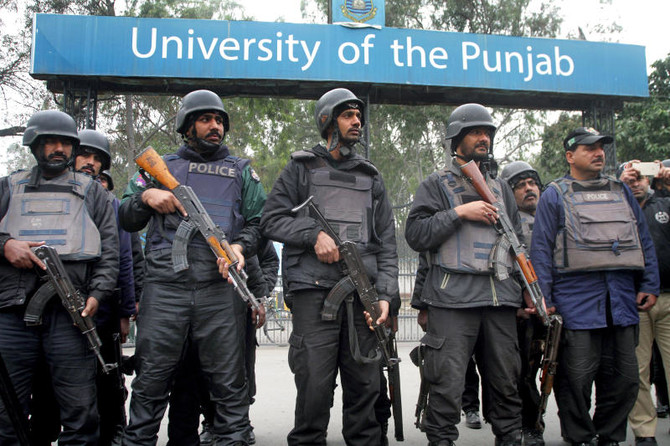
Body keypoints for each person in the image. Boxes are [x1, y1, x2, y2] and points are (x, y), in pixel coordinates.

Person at [119, 89, 266, 446]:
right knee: (149, 384)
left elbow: (259, 223)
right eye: (205, 119)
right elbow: (124, 215)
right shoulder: (158, 168)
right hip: (165, 291)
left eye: (219, 121)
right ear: (187, 126)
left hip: (219, 291)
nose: (215, 126)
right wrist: (146, 196)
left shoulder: (241, 171)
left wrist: (238, 247)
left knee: (230, 387)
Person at [261, 87, 399, 445]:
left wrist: (386, 296)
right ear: (328, 121)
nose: (357, 121)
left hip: (364, 299)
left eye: (359, 116)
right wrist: (313, 235)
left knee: (366, 389)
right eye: (348, 115)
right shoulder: (301, 167)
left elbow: (387, 244)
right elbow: (270, 220)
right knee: (314, 388)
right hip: (314, 295)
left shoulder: (371, 176)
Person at [405, 103, 527, 446]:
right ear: (456, 139)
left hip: (500, 300)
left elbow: (518, 244)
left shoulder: (501, 189)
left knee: (506, 385)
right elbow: (416, 235)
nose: (483, 138)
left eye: (487, 132)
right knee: (446, 386)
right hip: (452, 301)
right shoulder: (435, 184)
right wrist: (460, 212)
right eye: (475, 132)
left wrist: (528, 291)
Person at [531, 127, 660, 446]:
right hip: (576, 306)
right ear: (570, 156)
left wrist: (649, 282)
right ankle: (579, 436)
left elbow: (643, 239)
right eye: (589, 148)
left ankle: (609, 435)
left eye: (601, 147)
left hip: (621, 303)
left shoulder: (621, 190)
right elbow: (541, 250)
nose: (598, 152)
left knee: (625, 379)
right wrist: (543, 298)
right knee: (574, 380)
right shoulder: (554, 194)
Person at [0, 110, 119, 445]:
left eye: (65, 143)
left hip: (71, 314)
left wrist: (97, 294)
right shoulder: (8, 187)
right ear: (34, 145)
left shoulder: (93, 192)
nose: (58, 149)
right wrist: (6, 244)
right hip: (13, 314)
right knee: (7, 413)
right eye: (50, 142)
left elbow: (110, 253)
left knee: (81, 414)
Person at [166, 237, 279, 446]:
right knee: (196, 370)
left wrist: (260, 294)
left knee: (238, 371)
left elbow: (264, 261)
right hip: (196, 301)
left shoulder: (244, 232)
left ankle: (239, 424)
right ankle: (210, 422)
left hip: (239, 303)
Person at [620, 161, 670, 445]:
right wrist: (620, 184)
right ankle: (644, 431)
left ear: (650, 180)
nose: (636, 183)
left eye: (641, 178)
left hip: (668, 298)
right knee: (637, 369)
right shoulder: (618, 207)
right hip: (634, 299)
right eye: (631, 178)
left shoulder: (664, 203)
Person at [499, 160, 545, 446]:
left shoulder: (552, 216)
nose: (529, 189)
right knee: (520, 374)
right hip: (520, 311)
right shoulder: (503, 223)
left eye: (532, 183)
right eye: (521, 186)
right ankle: (528, 425)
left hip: (553, 308)